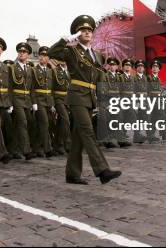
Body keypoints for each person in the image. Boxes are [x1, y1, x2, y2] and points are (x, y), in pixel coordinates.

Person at [49, 15, 121, 185]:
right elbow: (52, 53)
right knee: (88, 131)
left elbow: (99, 78)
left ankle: (72, 174)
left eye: (89, 30)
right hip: (76, 96)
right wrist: (66, 39)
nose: (87, 32)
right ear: (77, 34)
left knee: (78, 138)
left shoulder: (97, 55)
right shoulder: (71, 51)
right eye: (83, 30)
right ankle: (102, 170)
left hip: (90, 97)